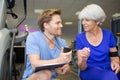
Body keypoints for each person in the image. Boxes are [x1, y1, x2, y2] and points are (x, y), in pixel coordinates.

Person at [22, 9, 72, 80]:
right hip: (33, 77)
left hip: (51, 78)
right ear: (46, 25)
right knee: (46, 74)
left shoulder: (62, 43)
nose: (61, 25)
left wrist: (66, 69)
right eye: (57, 23)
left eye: (61, 22)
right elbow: (35, 64)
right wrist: (59, 60)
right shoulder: (34, 37)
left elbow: (67, 67)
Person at [75, 4, 120, 80]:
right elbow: (81, 67)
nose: (83, 23)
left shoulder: (108, 34)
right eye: (82, 20)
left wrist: (116, 62)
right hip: (89, 70)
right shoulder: (80, 38)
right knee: (110, 77)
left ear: (98, 21)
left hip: (108, 68)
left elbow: (114, 56)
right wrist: (84, 59)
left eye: (87, 20)